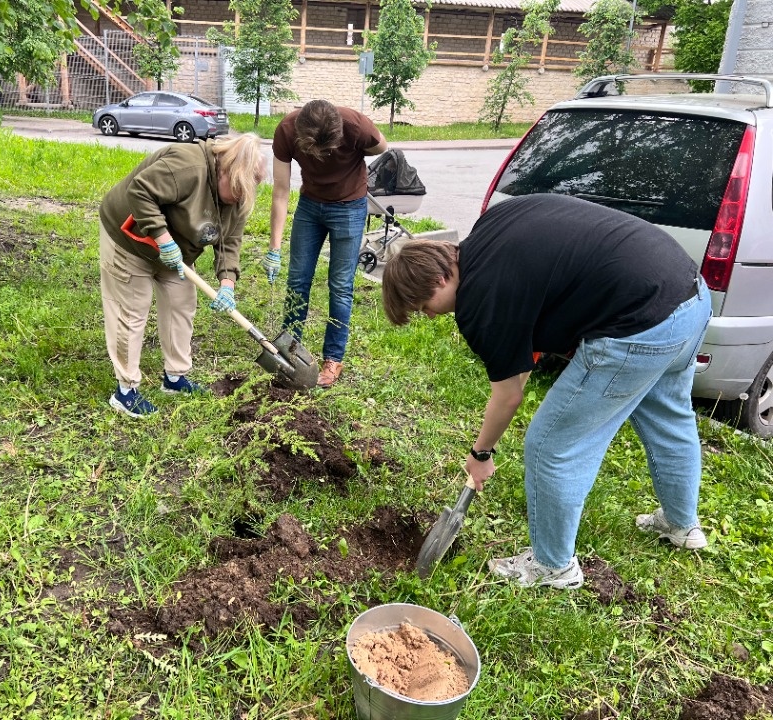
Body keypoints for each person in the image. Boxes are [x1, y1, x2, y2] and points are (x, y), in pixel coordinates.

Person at [381, 194, 712, 589]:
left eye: (424, 306)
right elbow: (519, 365)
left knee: (550, 445)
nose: (430, 316)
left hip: (637, 324)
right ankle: (681, 525)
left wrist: (481, 455)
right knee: (667, 414)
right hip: (688, 294)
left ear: (439, 279)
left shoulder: (481, 302)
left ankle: (553, 566)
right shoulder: (490, 229)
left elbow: (508, 395)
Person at [98, 133, 267, 418]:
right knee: (132, 310)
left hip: (177, 253)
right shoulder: (188, 166)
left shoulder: (239, 195)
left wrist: (227, 283)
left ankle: (175, 378)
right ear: (225, 170)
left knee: (182, 305)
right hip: (130, 238)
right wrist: (164, 241)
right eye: (237, 190)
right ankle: (125, 390)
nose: (239, 198)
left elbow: (230, 242)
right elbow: (140, 191)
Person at [265, 99, 387, 388]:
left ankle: (333, 358)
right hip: (310, 207)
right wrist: (274, 248)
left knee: (341, 285)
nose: (319, 157)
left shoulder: (355, 125)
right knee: (297, 281)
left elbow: (381, 147)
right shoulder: (286, 130)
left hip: (350, 206)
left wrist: (358, 153)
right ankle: (291, 351)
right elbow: (281, 192)